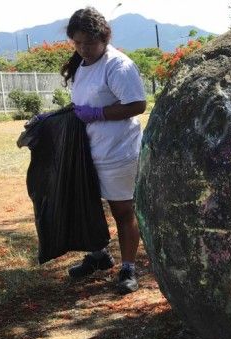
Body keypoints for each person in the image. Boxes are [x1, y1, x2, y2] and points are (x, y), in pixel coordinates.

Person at [60, 7, 147, 294]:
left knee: (122, 210)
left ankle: (129, 268)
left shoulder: (117, 65)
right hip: (89, 151)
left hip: (118, 151)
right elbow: (81, 104)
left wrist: (98, 113)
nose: (84, 49)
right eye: (78, 43)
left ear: (104, 37)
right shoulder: (81, 64)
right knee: (90, 206)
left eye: (90, 43)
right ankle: (99, 256)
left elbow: (137, 104)